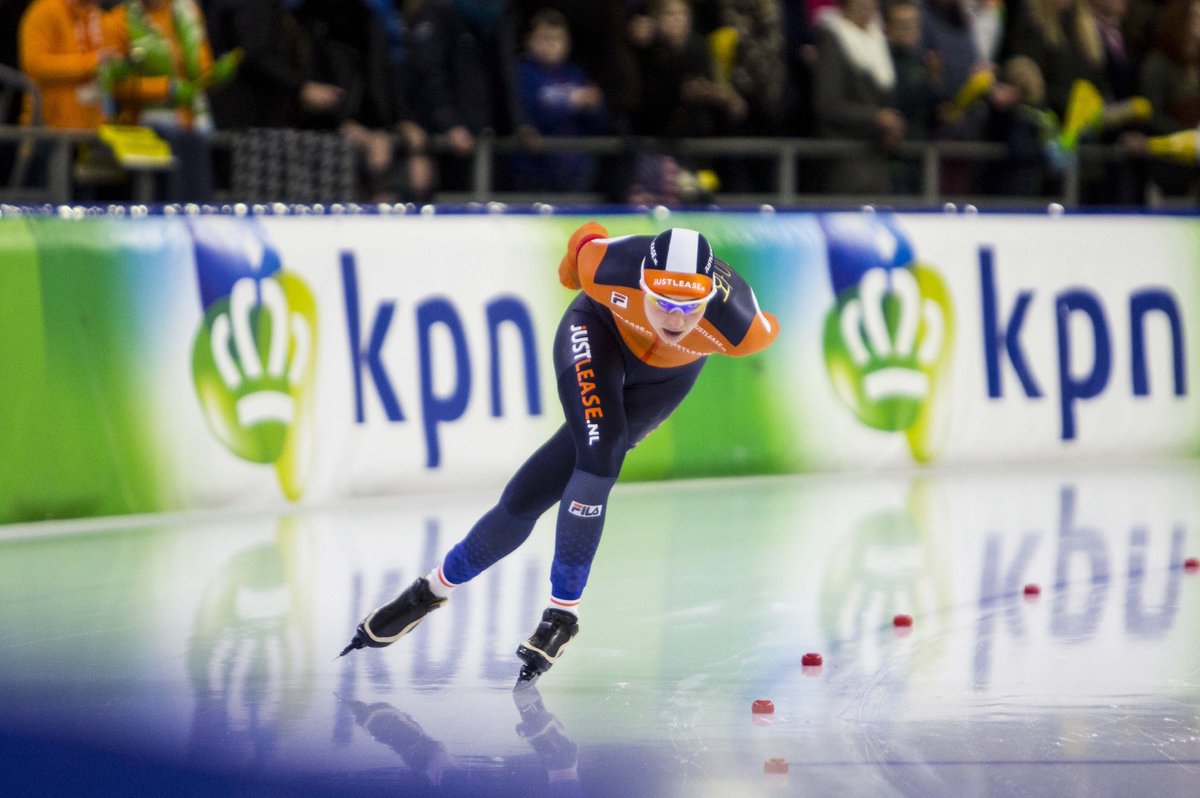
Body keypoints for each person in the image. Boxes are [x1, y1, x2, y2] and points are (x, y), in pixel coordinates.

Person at [340, 224, 781, 683]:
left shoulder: (742, 328)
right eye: (662, 302)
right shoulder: (607, 267)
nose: (674, 320)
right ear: (641, 281)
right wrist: (570, 272)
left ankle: (429, 589)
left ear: (709, 299)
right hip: (597, 332)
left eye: (689, 307)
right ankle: (563, 614)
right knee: (601, 452)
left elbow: (772, 325)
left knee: (533, 493)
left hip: (664, 381)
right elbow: (584, 242)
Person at [510, 7, 607, 192]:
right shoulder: (522, 74)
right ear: (530, 40)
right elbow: (529, 115)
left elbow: (596, 125)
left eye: (558, 39)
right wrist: (571, 104)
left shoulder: (575, 74)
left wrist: (594, 106)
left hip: (575, 170)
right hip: (535, 170)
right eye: (545, 38)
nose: (552, 45)